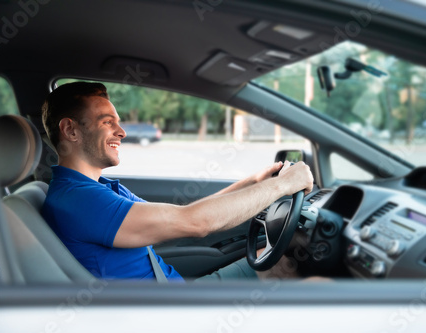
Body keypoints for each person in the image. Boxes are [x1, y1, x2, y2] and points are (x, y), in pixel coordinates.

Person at [41, 82, 314, 282]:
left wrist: (254, 182)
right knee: (316, 287)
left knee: (284, 264)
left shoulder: (98, 188)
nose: (121, 132)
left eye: (118, 122)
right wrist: (282, 186)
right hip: (171, 313)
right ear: (70, 130)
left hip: (175, 293)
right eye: (107, 122)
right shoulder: (79, 200)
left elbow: (184, 216)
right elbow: (195, 223)